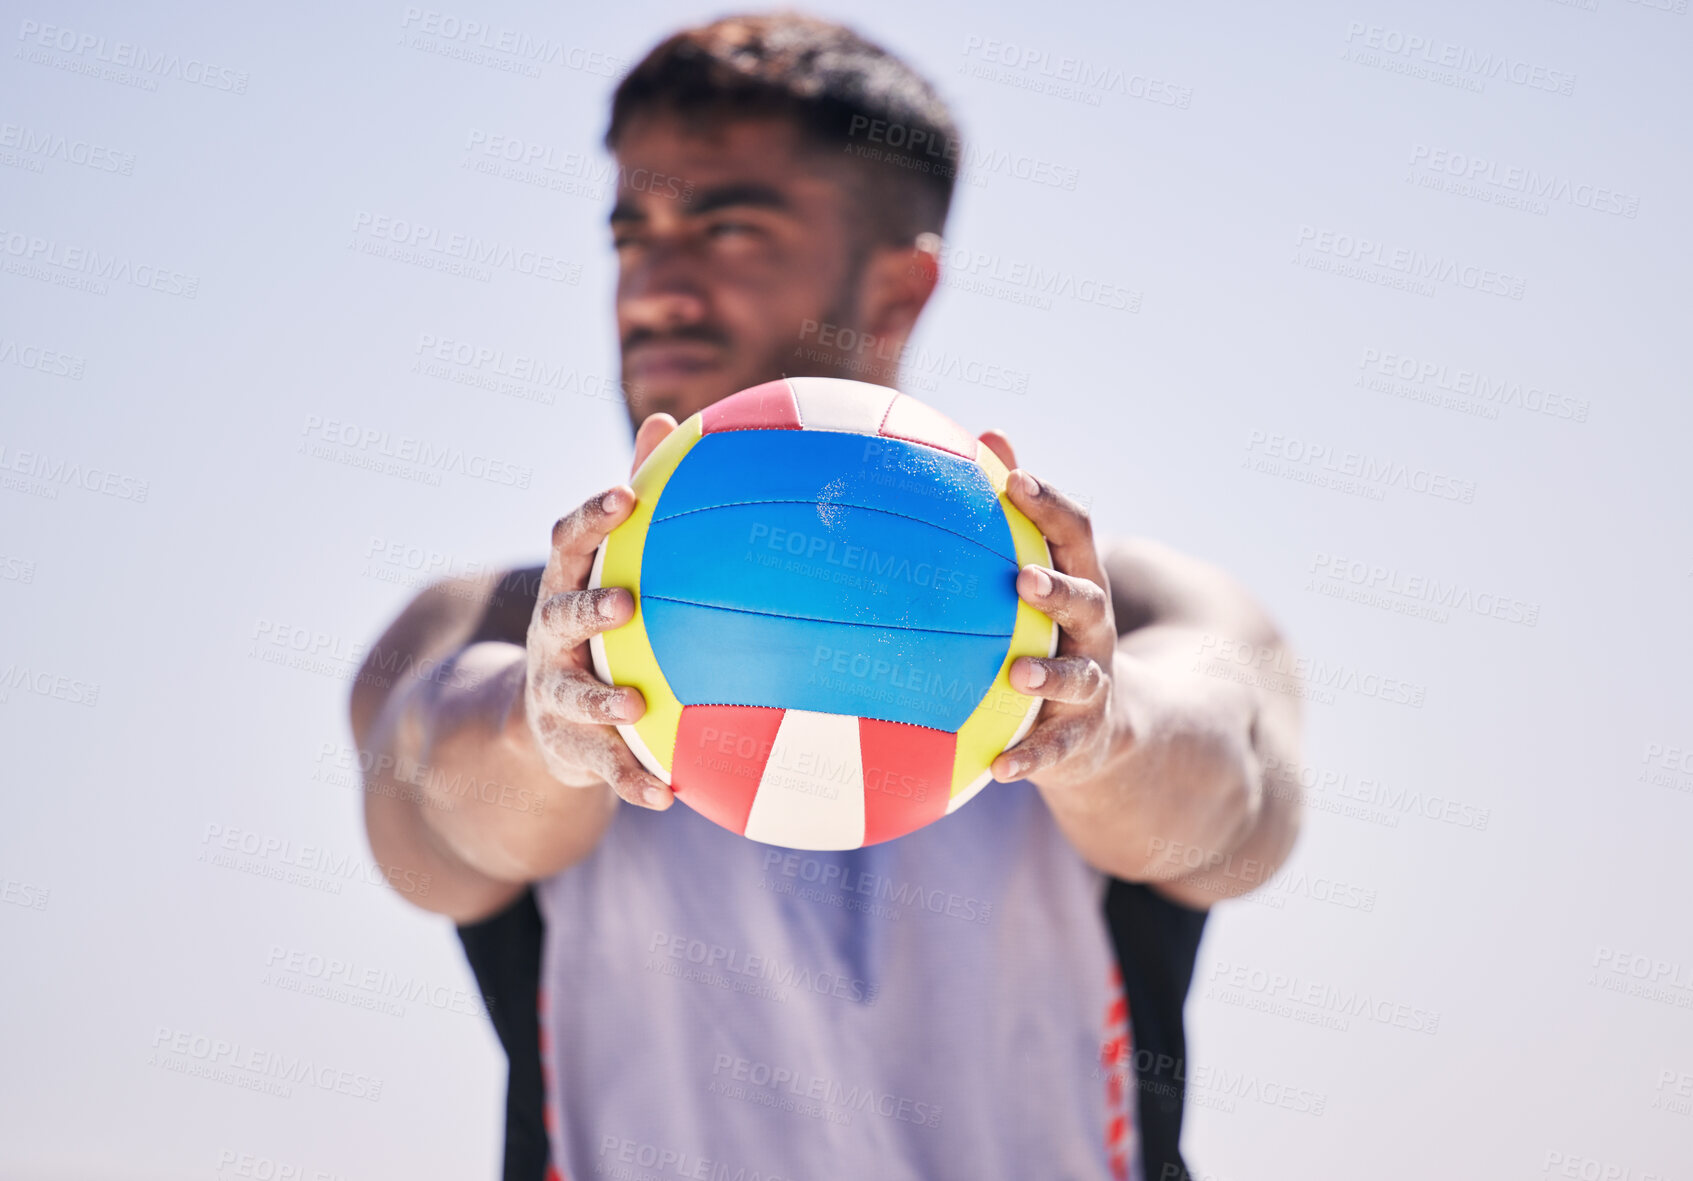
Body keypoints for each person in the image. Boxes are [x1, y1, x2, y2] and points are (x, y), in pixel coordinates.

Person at [350, 14, 1303, 1181]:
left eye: (728, 227)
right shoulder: (496, 628)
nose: (653, 288)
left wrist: (1101, 731)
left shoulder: (1118, 612)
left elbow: (1233, 815)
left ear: (897, 290)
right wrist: (541, 722)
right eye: (630, 233)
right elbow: (430, 832)